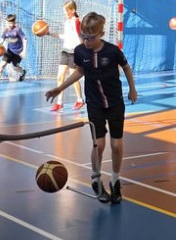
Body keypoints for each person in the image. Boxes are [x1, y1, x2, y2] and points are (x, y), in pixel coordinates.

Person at [44, 12, 138, 204]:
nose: (86, 41)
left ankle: (115, 180)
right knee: (99, 144)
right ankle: (96, 179)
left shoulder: (112, 51)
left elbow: (126, 68)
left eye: (90, 38)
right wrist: (60, 88)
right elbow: (80, 71)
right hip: (94, 104)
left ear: (100, 34)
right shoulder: (80, 51)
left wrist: (132, 89)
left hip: (115, 103)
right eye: (84, 37)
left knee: (116, 145)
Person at [50, 0, 85, 112]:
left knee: (73, 78)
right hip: (65, 52)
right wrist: (49, 33)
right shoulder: (66, 22)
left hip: (74, 53)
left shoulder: (77, 22)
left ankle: (80, 100)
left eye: (65, 10)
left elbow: (82, 38)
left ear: (73, 10)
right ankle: (59, 102)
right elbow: (65, 36)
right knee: (60, 77)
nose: (64, 13)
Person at [0, 13, 27, 91]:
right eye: (9, 23)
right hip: (9, 51)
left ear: (14, 22)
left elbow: (25, 39)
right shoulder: (6, 30)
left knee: (15, 68)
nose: (10, 24)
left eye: (12, 23)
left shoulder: (18, 30)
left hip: (18, 53)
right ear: (6, 22)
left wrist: (24, 51)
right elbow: (2, 40)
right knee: (1, 66)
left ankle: (22, 72)